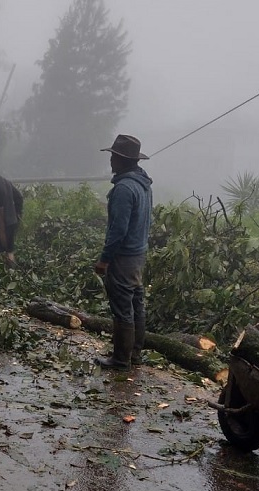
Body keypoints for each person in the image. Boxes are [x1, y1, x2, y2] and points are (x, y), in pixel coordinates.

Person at [93, 134, 153, 369]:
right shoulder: (143, 184)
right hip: (138, 254)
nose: (111, 161)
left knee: (122, 308)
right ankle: (134, 355)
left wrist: (104, 260)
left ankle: (120, 360)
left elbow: (118, 230)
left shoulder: (124, 189)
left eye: (114, 157)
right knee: (137, 304)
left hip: (124, 257)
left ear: (122, 160)